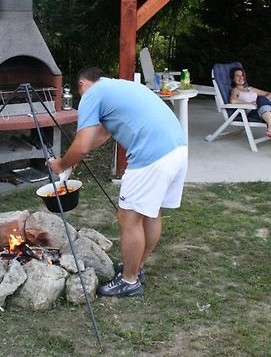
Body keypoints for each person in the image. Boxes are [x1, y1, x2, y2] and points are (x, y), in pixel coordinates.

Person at [48, 67, 188, 297]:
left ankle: (129, 280)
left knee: (128, 217)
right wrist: (73, 161)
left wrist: (61, 164)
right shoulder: (122, 87)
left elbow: (82, 145)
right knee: (150, 213)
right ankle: (136, 267)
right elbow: (101, 135)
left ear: (83, 84)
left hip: (150, 157)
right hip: (177, 149)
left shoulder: (92, 94)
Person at [229, 67, 271, 162]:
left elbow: (270, 94)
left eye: (242, 75)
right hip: (253, 113)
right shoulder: (235, 90)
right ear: (233, 78)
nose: (240, 77)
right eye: (237, 76)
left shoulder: (250, 88)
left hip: (264, 111)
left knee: (262, 99)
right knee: (262, 101)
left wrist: (264, 101)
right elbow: (232, 100)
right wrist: (250, 104)